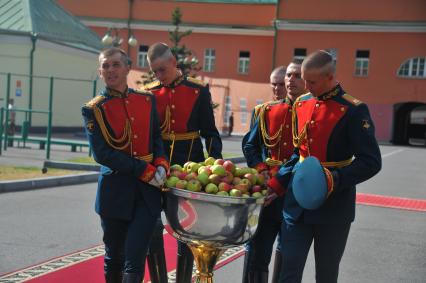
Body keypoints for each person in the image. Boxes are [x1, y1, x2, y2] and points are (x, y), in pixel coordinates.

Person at [266, 50, 382, 283]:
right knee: (288, 270)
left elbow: (371, 161)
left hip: (334, 207)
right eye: (304, 79)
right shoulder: (301, 104)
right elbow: (299, 154)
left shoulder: (353, 109)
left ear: (330, 77)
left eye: (312, 81)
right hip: (296, 204)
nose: (306, 86)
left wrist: (334, 178)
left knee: (326, 274)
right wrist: (277, 184)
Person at [81, 47, 169, 283]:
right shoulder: (94, 109)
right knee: (114, 258)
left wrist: (161, 163)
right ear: (100, 72)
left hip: (146, 194)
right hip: (115, 193)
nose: (110, 70)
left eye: (115, 64)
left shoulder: (146, 100)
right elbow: (102, 154)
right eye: (105, 66)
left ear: (128, 67)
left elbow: (156, 138)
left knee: (135, 257)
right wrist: (144, 169)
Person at [144, 42, 223, 283]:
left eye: (162, 70)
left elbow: (210, 133)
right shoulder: (148, 93)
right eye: (154, 71)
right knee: (152, 228)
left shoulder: (198, 90)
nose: (158, 76)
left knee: (186, 231)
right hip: (156, 168)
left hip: (190, 168)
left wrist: (214, 169)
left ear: (174, 63)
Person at [241, 61, 305, 283]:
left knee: (288, 257)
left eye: (296, 75)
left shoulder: (311, 113)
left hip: (297, 194)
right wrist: (260, 169)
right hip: (268, 194)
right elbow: (250, 145)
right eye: (288, 75)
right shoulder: (268, 111)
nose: (290, 80)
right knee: (257, 253)